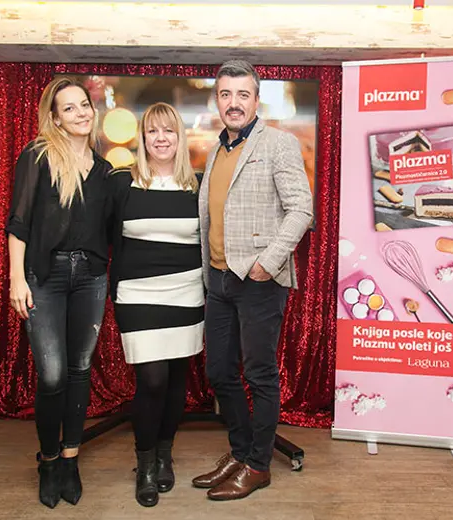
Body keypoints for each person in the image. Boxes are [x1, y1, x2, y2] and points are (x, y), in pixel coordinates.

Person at [192, 60, 313, 500]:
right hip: (220, 279)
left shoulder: (279, 143)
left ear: (256, 100)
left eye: (243, 94)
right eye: (226, 94)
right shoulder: (216, 151)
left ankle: (258, 466)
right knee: (219, 372)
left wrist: (268, 261)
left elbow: (301, 209)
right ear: (217, 100)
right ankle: (241, 452)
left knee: (259, 375)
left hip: (260, 279)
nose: (234, 103)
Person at [6, 76, 113, 509]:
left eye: (84, 104)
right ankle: (48, 460)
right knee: (52, 375)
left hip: (91, 277)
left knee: (80, 370)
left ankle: (70, 460)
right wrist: (16, 279)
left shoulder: (103, 169)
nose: (80, 113)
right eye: (69, 108)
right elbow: (19, 222)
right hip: (45, 277)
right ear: (54, 117)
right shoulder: (37, 156)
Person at [106, 102, 204, 507]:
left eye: (169, 131)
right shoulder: (121, 183)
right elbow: (99, 236)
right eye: (152, 131)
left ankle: (164, 455)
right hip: (137, 294)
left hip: (187, 292)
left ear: (180, 137)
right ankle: (144, 464)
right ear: (142, 138)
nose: (161, 138)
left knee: (177, 378)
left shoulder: (198, 186)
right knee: (152, 380)